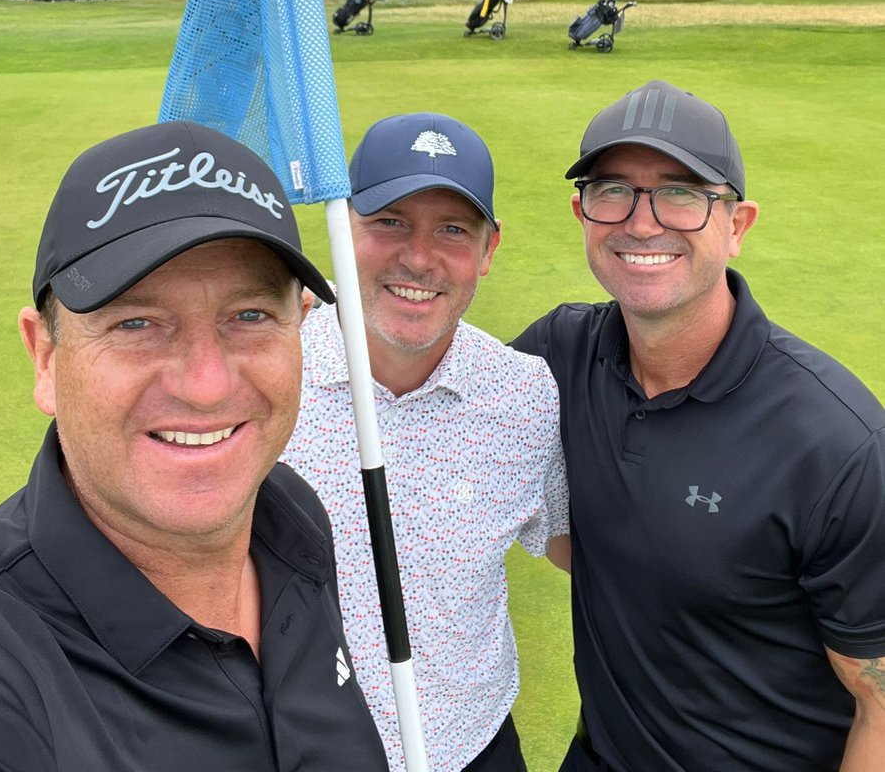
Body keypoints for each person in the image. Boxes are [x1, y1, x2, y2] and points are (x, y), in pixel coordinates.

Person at [0, 120, 388, 772]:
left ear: (302, 330)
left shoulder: (288, 513)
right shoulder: (5, 676)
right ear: (45, 357)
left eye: (250, 315)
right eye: (137, 323)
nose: (205, 386)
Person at [512, 80, 885, 772]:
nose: (642, 222)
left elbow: (881, 707)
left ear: (737, 226)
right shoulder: (556, 356)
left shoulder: (836, 443)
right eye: (613, 190)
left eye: (682, 193)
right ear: (582, 213)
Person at [284, 112, 569, 772]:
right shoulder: (270, 377)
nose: (419, 257)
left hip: (475, 746)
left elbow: (572, 545)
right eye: (389, 222)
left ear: (489, 248)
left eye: (451, 230)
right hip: (308, 753)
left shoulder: (524, 395)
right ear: (344, 227)